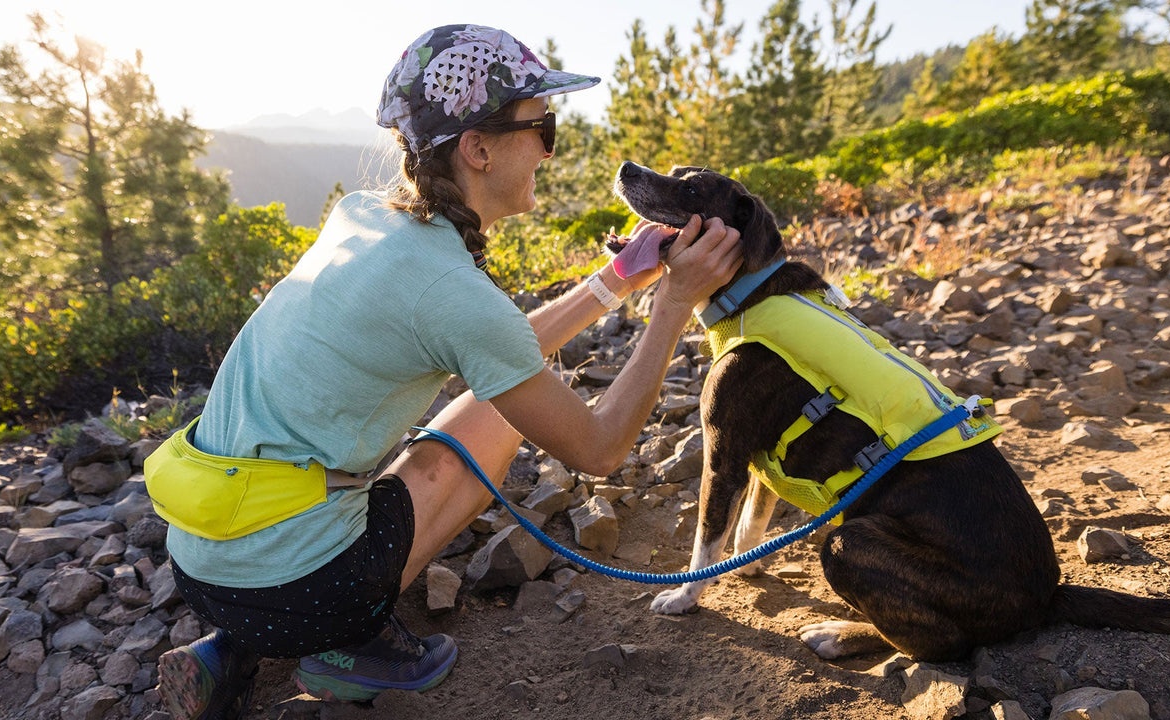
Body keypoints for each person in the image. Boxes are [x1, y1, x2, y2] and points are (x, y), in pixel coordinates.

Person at [147, 23, 743, 720]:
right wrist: (675, 300)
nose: (551, 147)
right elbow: (601, 449)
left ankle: (236, 647)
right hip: (297, 584)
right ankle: (348, 642)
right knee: (495, 422)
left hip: (202, 559)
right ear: (478, 148)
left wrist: (613, 282)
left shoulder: (362, 216)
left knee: (491, 396)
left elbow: (496, 345)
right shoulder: (452, 291)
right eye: (542, 127)